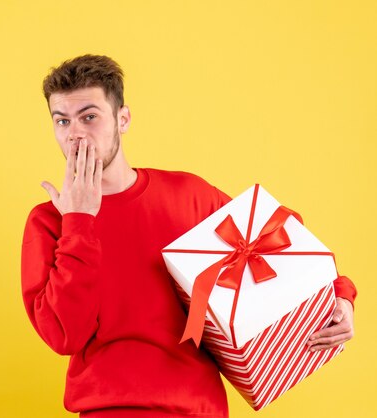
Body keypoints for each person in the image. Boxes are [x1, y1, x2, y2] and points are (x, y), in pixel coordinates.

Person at [20, 54, 356, 418]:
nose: (76, 133)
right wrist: (79, 221)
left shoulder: (188, 195)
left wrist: (340, 296)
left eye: (89, 116)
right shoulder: (49, 222)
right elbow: (63, 335)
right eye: (62, 121)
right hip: (109, 409)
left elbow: (277, 243)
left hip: (198, 409)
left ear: (122, 119)